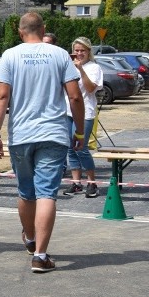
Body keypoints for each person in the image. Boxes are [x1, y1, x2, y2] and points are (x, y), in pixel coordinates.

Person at [0, 12, 84, 273]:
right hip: (53, 133)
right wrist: (79, 130)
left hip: (21, 134)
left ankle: (30, 239)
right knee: (46, 193)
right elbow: (75, 97)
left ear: (20, 32)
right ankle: (40, 256)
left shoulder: (10, 55)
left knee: (26, 191)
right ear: (43, 29)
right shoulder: (59, 54)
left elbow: (1, 96)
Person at [62, 37, 104, 198]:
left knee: (81, 148)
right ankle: (76, 182)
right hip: (68, 111)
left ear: (88, 52)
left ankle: (92, 182)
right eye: (77, 51)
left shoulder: (94, 67)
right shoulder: (68, 66)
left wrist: (80, 70)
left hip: (85, 112)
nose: (79, 54)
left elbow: (91, 88)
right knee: (70, 148)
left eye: (82, 51)